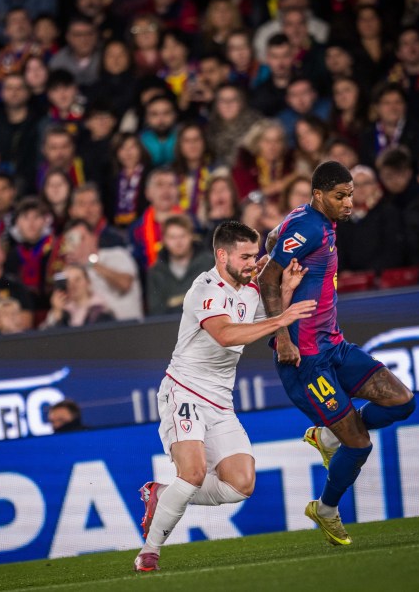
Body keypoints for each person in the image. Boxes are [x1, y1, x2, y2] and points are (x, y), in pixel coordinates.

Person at [133, 221, 316, 572]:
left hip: (220, 401)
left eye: (256, 254)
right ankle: (149, 552)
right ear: (222, 255)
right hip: (183, 389)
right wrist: (284, 318)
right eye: (245, 256)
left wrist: (286, 292)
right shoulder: (205, 289)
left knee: (240, 484)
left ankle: (160, 493)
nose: (253, 262)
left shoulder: (249, 290)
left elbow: (262, 319)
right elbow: (227, 334)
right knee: (194, 473)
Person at [259, 161, 416, 547]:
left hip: (334, 346)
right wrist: (282, 338)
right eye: (341, 196)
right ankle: (325, 509)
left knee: (402, 402)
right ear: (319, 195)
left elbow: (272, 241)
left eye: (350, 194)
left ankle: (327, 438)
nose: (349, 202)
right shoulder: (309, 225)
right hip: (305, 360)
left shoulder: (315, 221)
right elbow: (267, 278)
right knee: (359, 443)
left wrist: (274, 243)